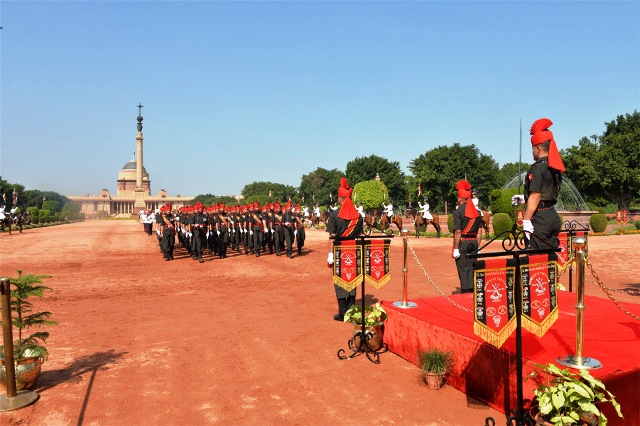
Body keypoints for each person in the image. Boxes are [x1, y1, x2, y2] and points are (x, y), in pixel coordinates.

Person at [512, 118, 564, 250]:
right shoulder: (555, 167)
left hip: (540, 218)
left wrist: (526, 220)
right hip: (552, 216)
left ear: (538, 148)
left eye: (533, 148)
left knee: (537, 262)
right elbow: (548, 192)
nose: (532, 152)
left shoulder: (537, 168)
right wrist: (525, 199)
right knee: (550, 260)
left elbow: (536, 196)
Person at [326, 177, 363, 321]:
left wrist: (330, 254)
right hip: (354, 250)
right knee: (352, 279)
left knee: (340, 281)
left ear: (341, 199)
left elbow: (331, 237)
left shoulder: (334, 214)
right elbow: (360, 235)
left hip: (339, 251)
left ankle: (342, 313)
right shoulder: (358, 216)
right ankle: (351, 311)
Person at [452, 180, 483, 294]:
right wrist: (477, 246)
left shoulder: (458, 212)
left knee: (463, 268)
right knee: (472, 267)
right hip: (474, 242)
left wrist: (456, 248)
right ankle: (473, 290)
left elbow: (458, 232)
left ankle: (465, 292)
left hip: (463, 242)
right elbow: (479, 232)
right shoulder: (478, 213)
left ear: (460, 198)